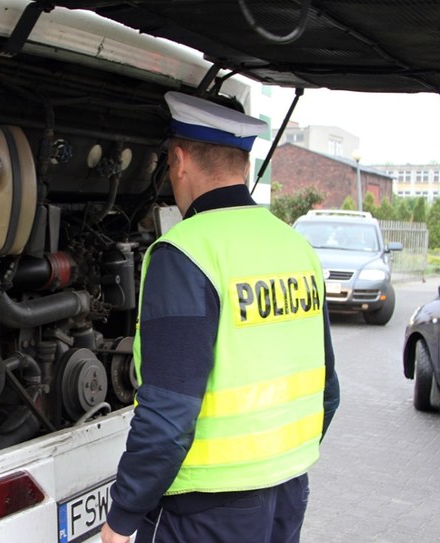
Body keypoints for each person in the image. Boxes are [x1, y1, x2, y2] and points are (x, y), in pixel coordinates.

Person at [101, 91, 340, 543]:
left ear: (179, 160)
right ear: (245, 167)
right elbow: (329, 390)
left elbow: (170, 415)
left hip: (206, 508)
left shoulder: (187, 252)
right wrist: (277, 458)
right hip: (287, 490)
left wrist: (124, 513)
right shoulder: (296, 247)